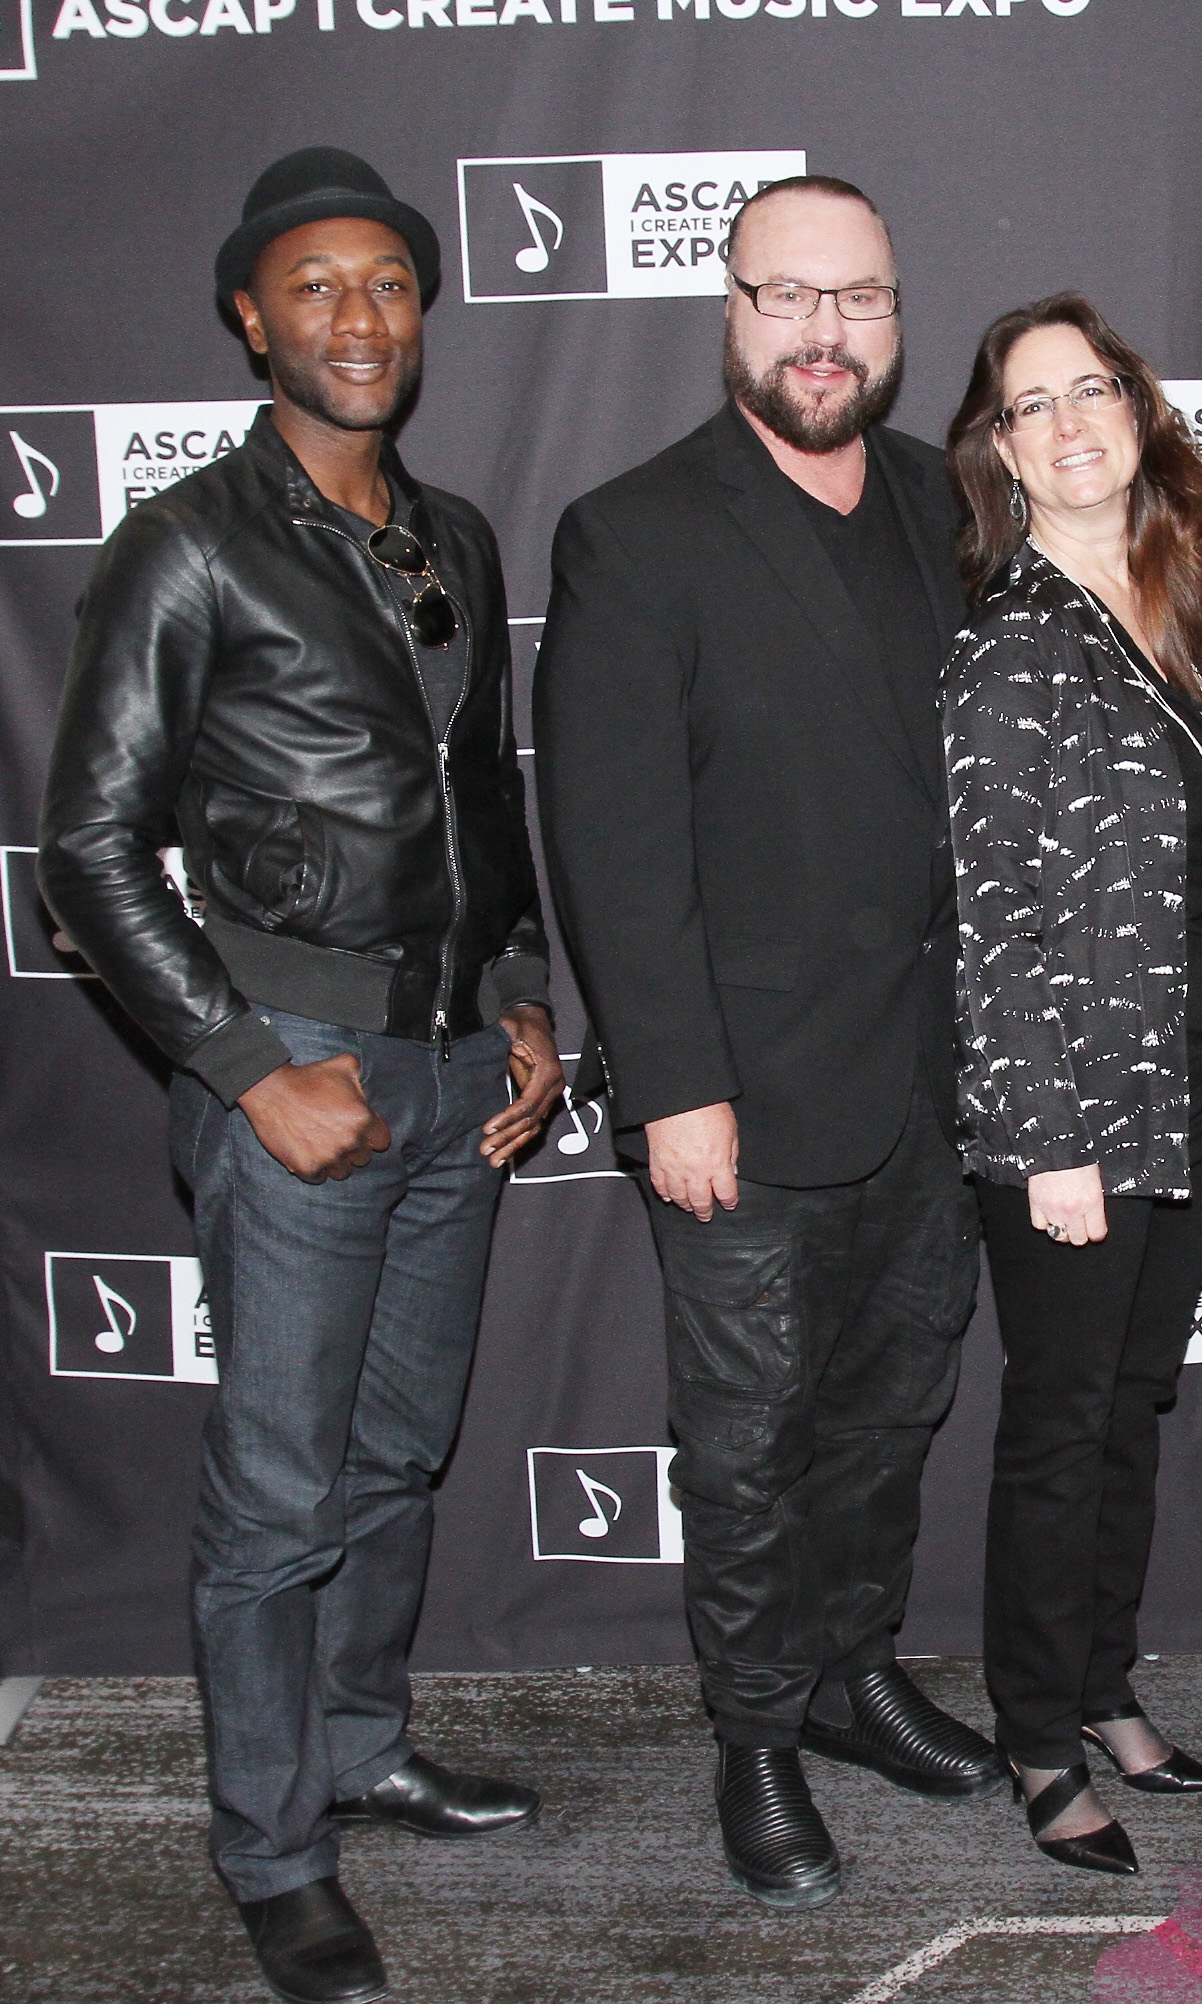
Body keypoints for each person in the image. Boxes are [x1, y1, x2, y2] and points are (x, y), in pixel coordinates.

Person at [38, 149, 559, 2004]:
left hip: (448, 1081)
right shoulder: (185, 546)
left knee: (399, 1456)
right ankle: (271, 1846)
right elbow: (88, 853)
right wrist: (257, 1070)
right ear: (254, 318)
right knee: (276, 1492)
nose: (361, 316)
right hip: (306, 1081)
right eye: (318, 287)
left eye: (392, 285)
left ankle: (361, 1745)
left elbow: (479, 801)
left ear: (428, 313)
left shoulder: (459, 538)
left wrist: (519, 994)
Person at [533, 176, 1002, 1914]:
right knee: (743, 1450)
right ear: (728, 309)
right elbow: (616, 840)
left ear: (895, 317)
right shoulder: (633, 530)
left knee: (891, 1414)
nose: (824, 331)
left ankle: (855, 1673)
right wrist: (672, 1087)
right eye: (788, 296)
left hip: (937, 1090)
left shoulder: (948, 505)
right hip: (739, 1096)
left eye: (859, 298)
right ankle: (752, 1737)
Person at [942, 294, 1202, 1877]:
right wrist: (1045, 1139)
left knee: (1135, 1399)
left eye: (1094, 392)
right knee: (1063, 1419)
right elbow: (994, 912)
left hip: (1198, 1078)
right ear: (1000, 450)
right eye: (1033, 406)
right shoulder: (1012, 640)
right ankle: (1032, 1737)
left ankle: (1102, 1683)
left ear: (1136, 413)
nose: (1072, 424)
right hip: (1071, 1099)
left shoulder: (1187, 601)